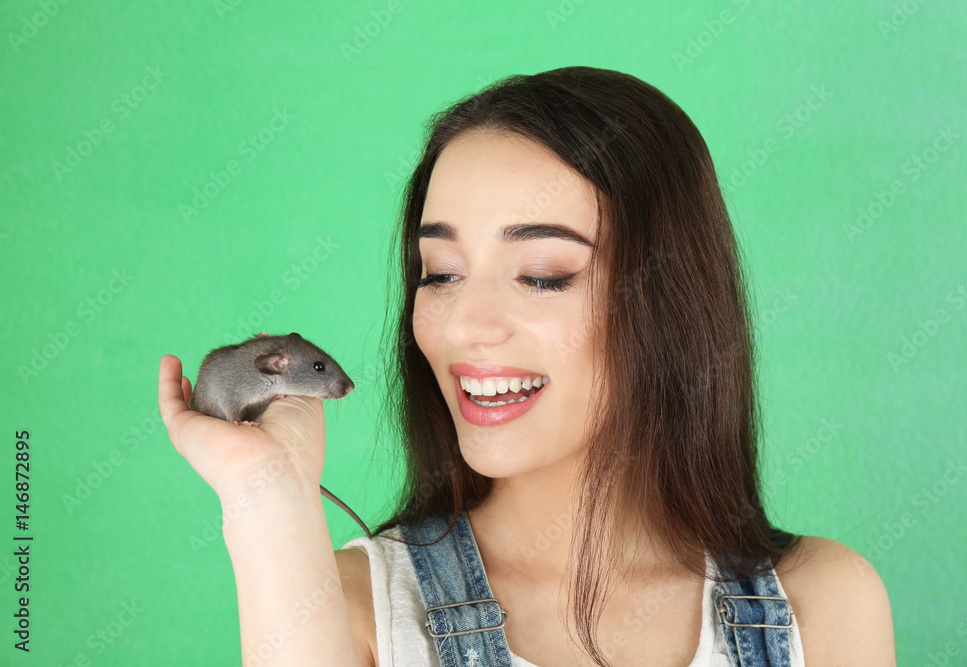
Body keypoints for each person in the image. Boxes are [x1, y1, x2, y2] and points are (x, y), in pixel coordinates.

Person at [159, 66, 896, 666]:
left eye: (542, 273)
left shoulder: (822, 610)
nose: (466, 326)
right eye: (441, 272)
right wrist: (266, 498)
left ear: (668, 299)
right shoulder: (354, 612)